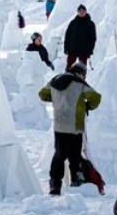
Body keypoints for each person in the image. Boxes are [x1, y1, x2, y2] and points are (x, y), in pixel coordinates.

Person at [38, 61, 101, 195]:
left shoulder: (55, 80)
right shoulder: (79, 83)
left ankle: (55, 184)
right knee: (75, 156)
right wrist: (87, 106)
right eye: (84, 75)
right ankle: (76, 182)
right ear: (80, 73)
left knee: (59, 155)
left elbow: (43, 94)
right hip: (75, 126)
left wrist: (56, 100)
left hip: (59, 125)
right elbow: (95, 97)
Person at [63, 4, 97, 70]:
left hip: (84, 50)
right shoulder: (73, 23)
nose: (81, 12)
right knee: (69, 67)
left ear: (86, 11)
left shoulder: (90, 24)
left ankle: (81, 80)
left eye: (83, 11)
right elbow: (67, 36)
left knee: (82, 68)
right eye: (80, 11)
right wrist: (66, 48)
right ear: (77, 12)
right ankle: (67, 79)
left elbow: (93, 38)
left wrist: (90, 50)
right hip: (72, 49)